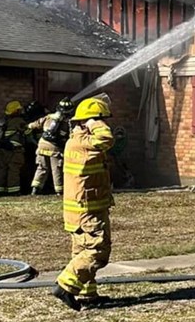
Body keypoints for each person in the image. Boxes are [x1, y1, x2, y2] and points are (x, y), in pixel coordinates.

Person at [52, 94, 115, 311]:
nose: (105, 124)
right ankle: (65, 285)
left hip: (81, 210)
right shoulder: (83, 142)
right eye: (102, 119)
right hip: (89, 211)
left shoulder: (77, 141)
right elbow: (107, 139)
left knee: (81, 252)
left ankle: (87, 294)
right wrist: (95, 122)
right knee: (98, 251)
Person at [29, 99, 73, 196]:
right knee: (56, 169)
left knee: (41, 168)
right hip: (55, 149)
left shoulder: (48, 117)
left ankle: (35, 189)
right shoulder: (68, 122)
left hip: (41, 146)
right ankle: (59, 191)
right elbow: (71, 135)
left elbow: (32, 126)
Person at [0, 100, 30, 196]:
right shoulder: (18, 121)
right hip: (15, 149)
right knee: (14, 169)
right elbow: (27, 132)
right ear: (16, 111)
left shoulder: (4, 121)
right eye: (19, 109)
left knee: (3, 168)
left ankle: (0, 190)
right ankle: (13, 191)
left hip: (3, 148)